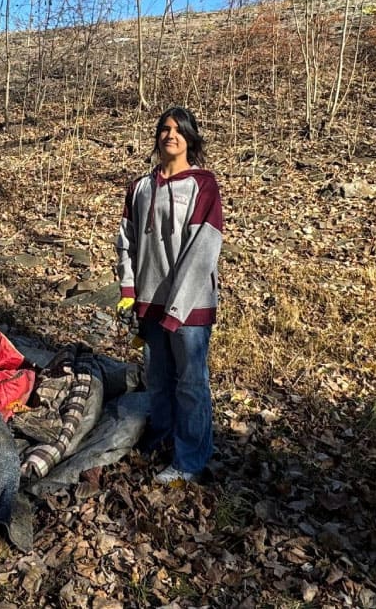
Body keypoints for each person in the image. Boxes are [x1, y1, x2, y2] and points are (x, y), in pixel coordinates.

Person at [116, 106, 224, 484]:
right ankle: (161, 440)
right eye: (164, 128)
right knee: (159, 380)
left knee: (191, 384)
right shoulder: (141, 187)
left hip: (189, 308)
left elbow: (203, 249)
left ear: (190, 138)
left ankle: (190, 459)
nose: (170, 135)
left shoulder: (203, 185)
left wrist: (178, 308)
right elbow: (125, 241)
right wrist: (129, 288)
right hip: (150, 305)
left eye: (179, 130)